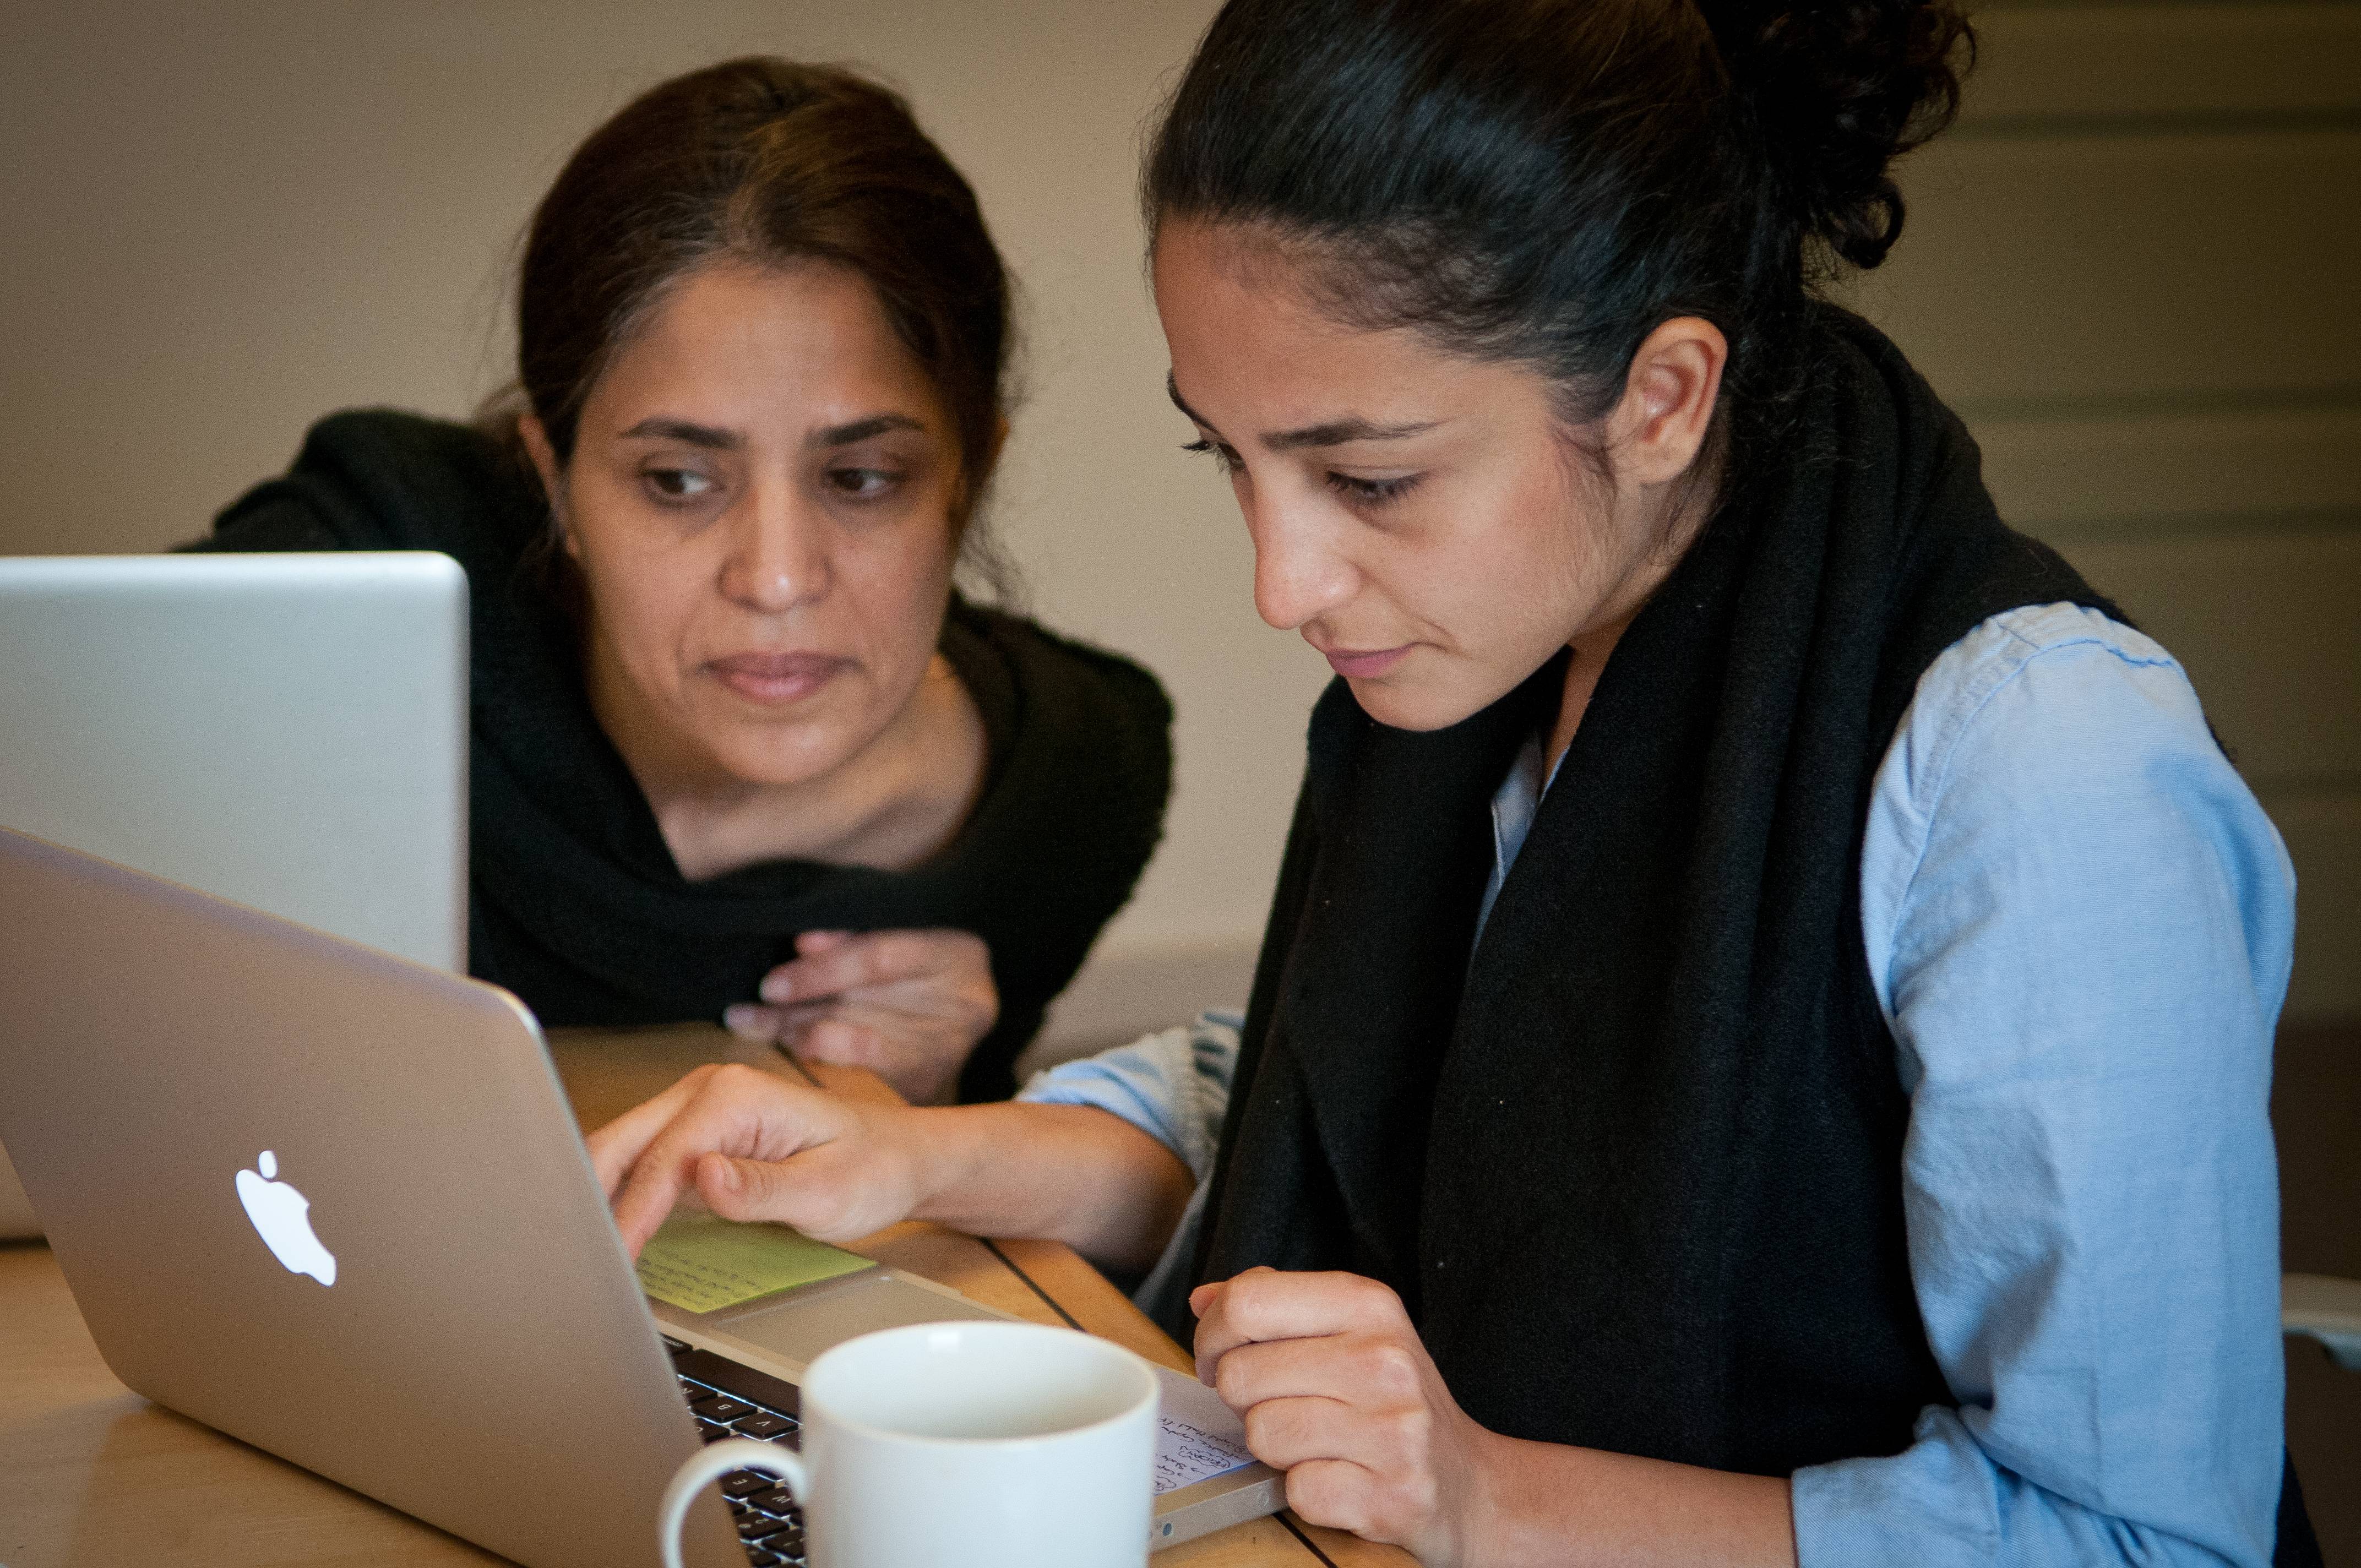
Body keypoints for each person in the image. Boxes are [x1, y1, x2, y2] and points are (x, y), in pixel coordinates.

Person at [585, 3, 2318, 1564]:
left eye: (1368, 478)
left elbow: (2147, 1545)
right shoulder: (1506, 656)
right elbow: (1339, 1090)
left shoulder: (2045, 771)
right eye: (1229, 456)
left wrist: (1490, 1500)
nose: (1282, 582)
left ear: (1663, 397)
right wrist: (909, 1158)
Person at [192, 58, 1172, 1105]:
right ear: (554, 482)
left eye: (861, 478)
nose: (778, 579)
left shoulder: (1070, 783)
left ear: (967, 482)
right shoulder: (357, 576)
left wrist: (927, 1108)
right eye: (679, 481)